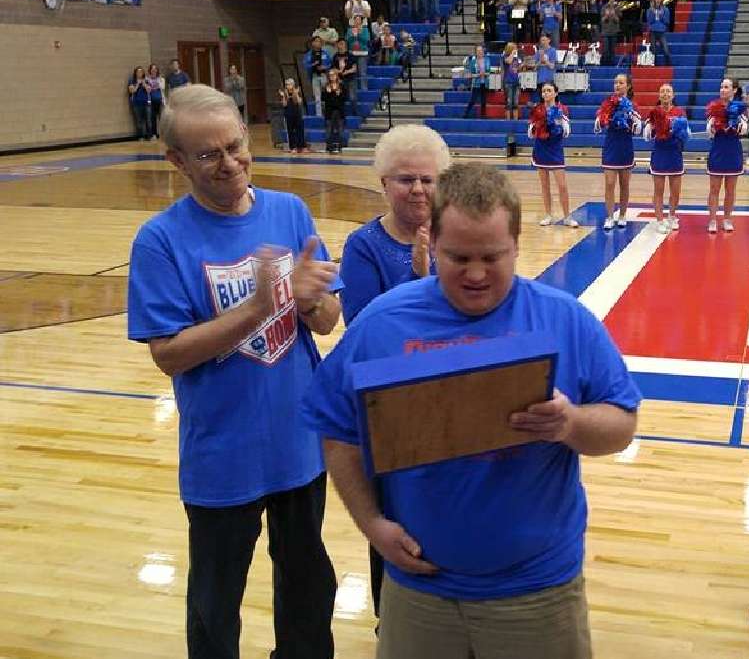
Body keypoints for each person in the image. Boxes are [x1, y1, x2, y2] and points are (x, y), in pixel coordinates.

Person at [301, 162, 641, 659]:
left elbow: (622, 426)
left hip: (537, 590)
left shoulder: (564, 318)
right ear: (431, 242)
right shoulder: (382, 323)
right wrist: (371, 524)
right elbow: (338, 432)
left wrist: (571, 423)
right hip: (419, 591)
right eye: (458, 257)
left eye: (493, 256)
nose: (477, 273)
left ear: (517, 244)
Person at [126, 84, 339, 659]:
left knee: (308, 590)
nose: (230, 163)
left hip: (298, 443)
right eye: (209, 154)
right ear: (175, 161)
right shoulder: (160, 240)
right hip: (222, 455)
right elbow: (168, 353)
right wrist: (262, 305)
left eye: (236, 145)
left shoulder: (289, 211)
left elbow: (324, 322)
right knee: (216, 603)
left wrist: (315, 300)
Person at [339, 123, 449, 324]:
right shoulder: (363, 246)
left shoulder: (455, 236)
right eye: (406, 180)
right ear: (384, 184)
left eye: (426, 180)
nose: (417, 189)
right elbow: (362, 328)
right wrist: (415, 276)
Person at [595, 73, 642, 230]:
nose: (617, 85)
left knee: (624, 184)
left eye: (621, 83)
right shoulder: (607, 103)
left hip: (625, 147)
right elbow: (599, 124)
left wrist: (634, 122)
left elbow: (637, 130)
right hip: (611, 145)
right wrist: (600, 121)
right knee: (609, 184)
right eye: (615, 82)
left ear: (628, 86)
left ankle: (622, 215)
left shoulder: (633, 105)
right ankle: (609, 216)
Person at [643, 83, 689, 233]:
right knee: (659, 190)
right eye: (662, 91)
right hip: (660, 153)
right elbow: (648, 133)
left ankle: (672, 216)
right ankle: (659, 220)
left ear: (673, 95)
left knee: (675, 190)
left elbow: (687, 133)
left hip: (675, 153)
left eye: (668, 91)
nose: (665, 94)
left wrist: (682, 132)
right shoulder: (654, 112)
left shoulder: (680, 112)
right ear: (659, 95)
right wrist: (649, 129)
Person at [529, 82, 577, 228]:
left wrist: (562, 125)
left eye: (549, 91)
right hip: (541, 148)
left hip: (555, 149)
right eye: (544, 91)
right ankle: (548, 215)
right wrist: (534, 128)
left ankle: (567, 217)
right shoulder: (537, 109)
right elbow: (530, 132)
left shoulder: (562, 109)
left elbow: (566, 131)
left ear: (556, 93)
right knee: (545, 185)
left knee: (562, 185)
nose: (546, 93)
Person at [705, 77, 749, 234]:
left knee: (731, 189)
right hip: (718, 149)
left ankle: (727, 219)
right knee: (714, 188)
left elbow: (744, 129)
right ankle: (712, 220)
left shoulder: (740, 108)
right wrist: (715, 125)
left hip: (733, 150)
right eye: (721, 87)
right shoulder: (713, 107)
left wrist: (735, 123)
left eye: (726, 87)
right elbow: (708, 132)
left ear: (734, 90)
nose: (723, 90)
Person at [322, 68, 348, 154]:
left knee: (340, 130)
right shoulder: (326, 86)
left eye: (333, 75)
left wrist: (339, 94)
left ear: (336, 76)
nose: (331, 77)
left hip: (339, 111)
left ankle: (341, 147)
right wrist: (328, 93)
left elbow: (345, 98)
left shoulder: (341, 85)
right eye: (330, 75)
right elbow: (323, 99)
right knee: (329, 130)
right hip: (329, 111)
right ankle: (329, 147)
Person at [281, 78, 310, 154]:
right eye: (287, 84)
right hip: (288, 114)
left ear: (293, 85)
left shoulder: (297, 91)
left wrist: (296, 94)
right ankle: (293, 147)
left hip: (297, 113)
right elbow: (284, 104)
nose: (288, 86)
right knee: (290, 131)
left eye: (289, 84)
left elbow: (300, 102)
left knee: (300, 130)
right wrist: (284, 96)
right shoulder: (285, 93)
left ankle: (302, 146)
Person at [462, 45, 490, 119]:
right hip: (476, 83)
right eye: (478, 51)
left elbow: (489, 72)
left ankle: (483, 115)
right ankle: (466, 113)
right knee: (473, 100)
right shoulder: (473, 61)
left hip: (485, 82)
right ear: (476, 52)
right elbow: (470, 74)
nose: (480, 52)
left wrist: (485, 74)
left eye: (481, 50)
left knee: (483, 100)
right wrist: (478, 75)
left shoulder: (487, 59)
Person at [333, 39, 359, 117]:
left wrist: (346, 72)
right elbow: (333, 68)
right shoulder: (335, 56)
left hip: (350, 78)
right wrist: (338, 72)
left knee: (352, 97)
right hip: (340, 79)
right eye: (339, 44)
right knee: (339, 97)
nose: (341, 45)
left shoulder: (350, 55)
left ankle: (355, 113)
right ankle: (341, 114)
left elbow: (354, 68)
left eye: (342, 44)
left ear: (345, 45)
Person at [306, 37, 332, 115]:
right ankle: (319, 114)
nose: (318, 43)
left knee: (328, 93)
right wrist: (313, 64)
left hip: (324, 75)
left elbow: (330, 64)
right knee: (317, 97)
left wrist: (325, 67)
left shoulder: (325, 53)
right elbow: (306, 65)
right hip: (315, 76)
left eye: (319, 42)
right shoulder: (309, 54)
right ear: (312, 43)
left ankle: (328, 112)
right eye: (316, 41)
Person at [346, 15, 372, 91]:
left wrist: (358, 34)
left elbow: (366, 40)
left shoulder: (365, 30)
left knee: (362, 72)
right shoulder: (350, 30)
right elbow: (348, 40)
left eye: (358, 20)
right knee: (353, 72)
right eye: (356, 20)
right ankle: (354, 89)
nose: (357, 21)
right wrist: (353, 36)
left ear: (361, 21)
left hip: (362, 53)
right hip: (352, 53)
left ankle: (364, 88)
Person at [646, 0, 672, 66]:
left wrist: (660, 15)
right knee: (653, 51)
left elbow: (666, 21)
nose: (658, 0)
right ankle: (654, 65)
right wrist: (653, 13)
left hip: (661, 31)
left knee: (666, 49)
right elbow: (649, 21)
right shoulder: (649, 10)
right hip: (653, 31)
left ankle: (668, 65)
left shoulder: (666, 10)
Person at [128, 66, 153, 141]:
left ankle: (149, 136)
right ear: (135, 73)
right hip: (136, 103)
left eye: (141, 72)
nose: (139, 73)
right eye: (138, 72)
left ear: (143, 73)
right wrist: (138, 84)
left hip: (146, 103)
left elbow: (149, 90)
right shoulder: (132, 81)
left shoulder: (146, 80)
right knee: (139, 120)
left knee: (148, 120)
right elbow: (132, 91)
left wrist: (144, 84)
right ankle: (140, 136)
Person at [502, 43, 523, 120]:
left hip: (516, 82)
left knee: (516, 102)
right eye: (514, 48)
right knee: (509, 102)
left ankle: (515, 120)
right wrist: (512, 54)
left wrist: (521, 66)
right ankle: (508, 120)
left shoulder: (517, 58)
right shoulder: (505, 56)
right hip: (508, 82)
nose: (516, 49)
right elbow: (509, 62)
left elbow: (519, 68)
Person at [146, 64, 165, 140]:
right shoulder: (147, 79)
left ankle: (162, 134)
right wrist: (150, 86)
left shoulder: (161, 79)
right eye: (152, 69)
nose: (154, 70)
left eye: (155, 69)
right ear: (150, 70)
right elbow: (148, 89)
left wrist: (156, 84)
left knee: (162, 118)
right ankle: (154, 134)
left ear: (157, 70)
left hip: (160, 100)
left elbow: (162, 87)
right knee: (152, 118)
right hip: (151, 101)